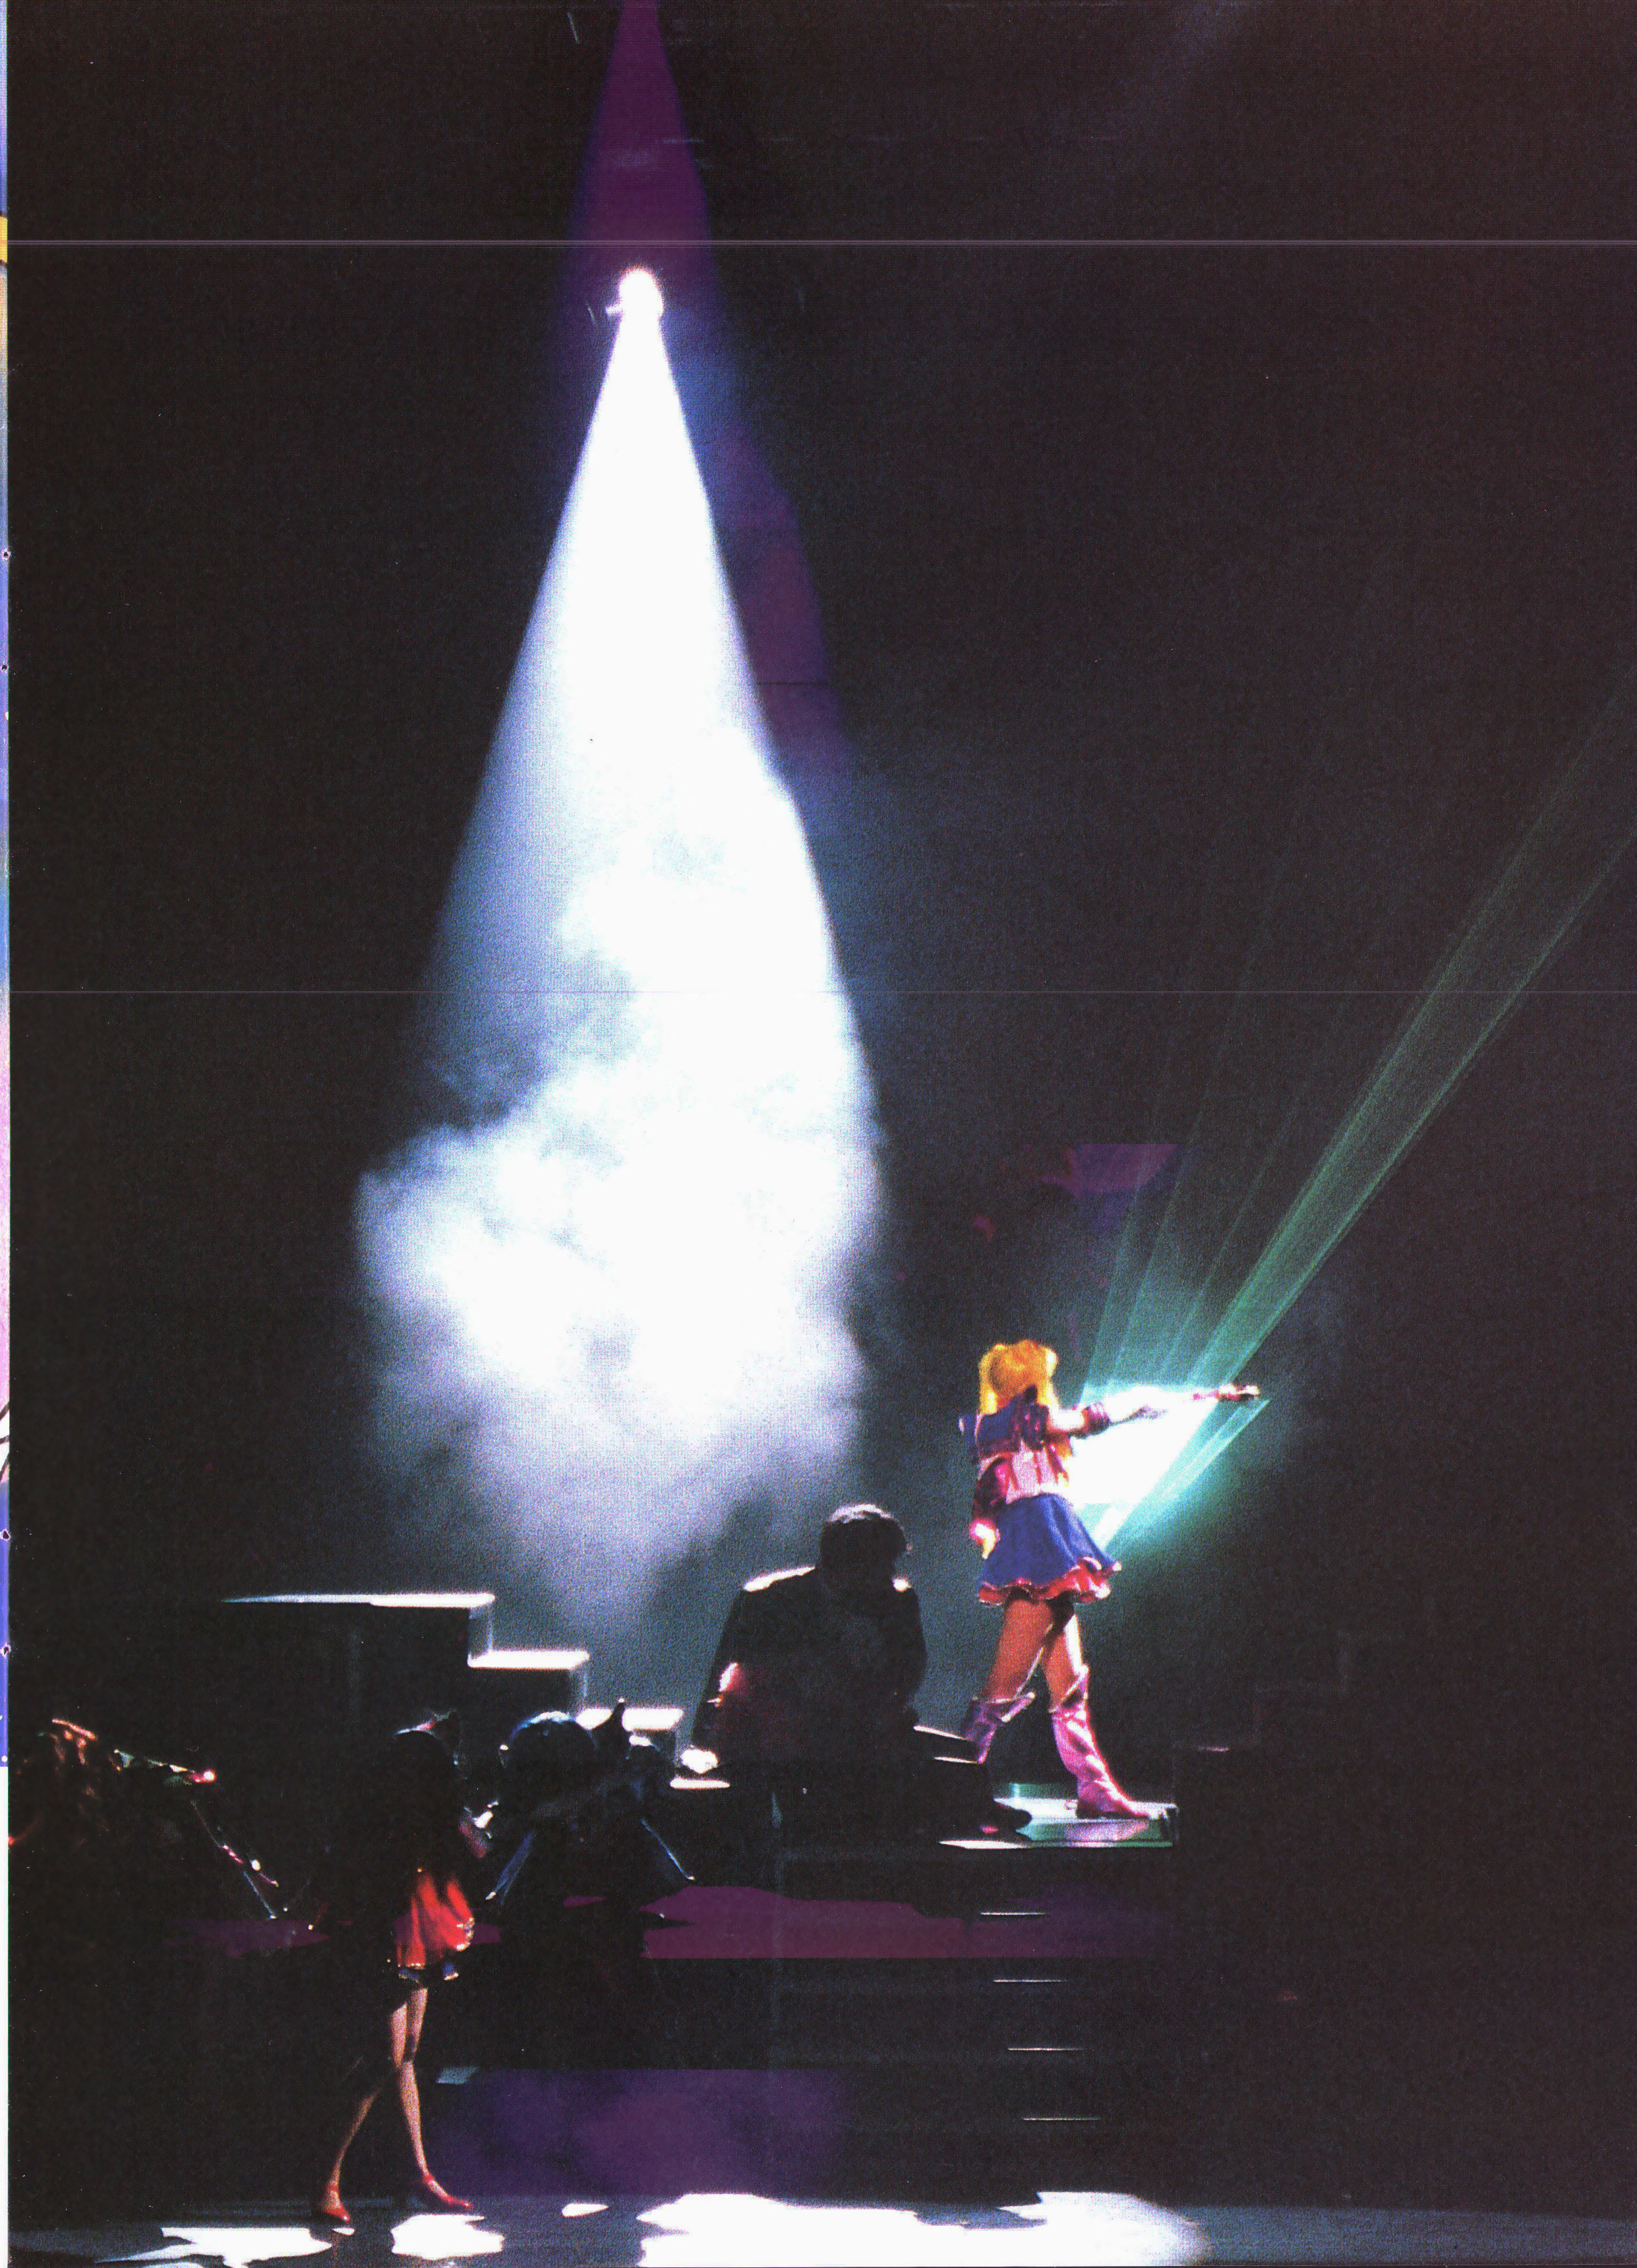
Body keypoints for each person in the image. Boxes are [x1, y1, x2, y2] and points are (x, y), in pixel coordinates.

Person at [958, 1338, 1257, 1819]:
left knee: (1069, 1684)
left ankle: (1094, 1787)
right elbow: (1102, 1416)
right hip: (1037, 1549)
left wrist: (1198, 1398)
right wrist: (1193, 1397)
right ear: (1029, 1381)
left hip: (1043, 1549)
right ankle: (952, 1791)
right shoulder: (1022, 1420)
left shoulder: (1006, 1426)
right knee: (1001, 1688)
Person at [694, 1503, 1003, 1842]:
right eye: (882, 1565)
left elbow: (907, 1675)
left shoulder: (897, 1601)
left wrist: (875, 1711)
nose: (889, 1575)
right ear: (850, 1564)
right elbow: (732, 1685)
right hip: (785, 1738)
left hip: (863, 1733)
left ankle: (972, 1813)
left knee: (963, 1758)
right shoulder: (770, 1599)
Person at [309, 1719, 481, 2230]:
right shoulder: (385, 1819)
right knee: (386, 2056)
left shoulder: (424, 1815)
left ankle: (417, 2174)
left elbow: (477, 1849)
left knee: (406, 2055)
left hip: (416, 1928)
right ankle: (324, 2177)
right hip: (388, 1933)